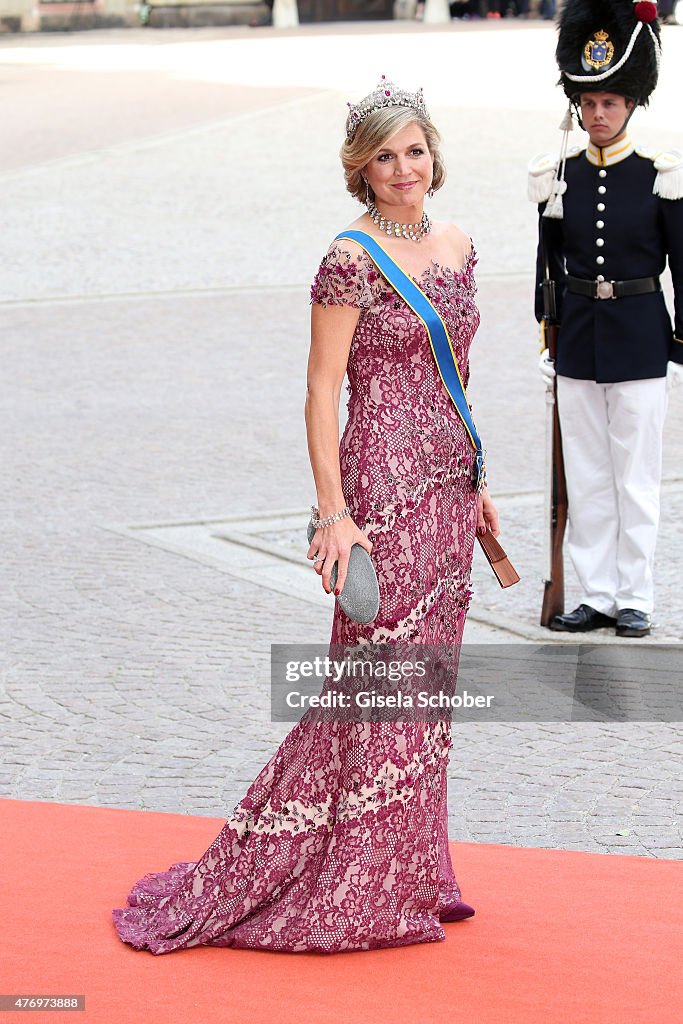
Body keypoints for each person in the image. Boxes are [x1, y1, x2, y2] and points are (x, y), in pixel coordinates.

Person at [111, 77, 498, 955]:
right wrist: (334, 515)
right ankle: (345, 873)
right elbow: (323, 389)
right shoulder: (348, 258)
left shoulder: (461, 244)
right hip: (381, 484)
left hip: (444, 484)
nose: (404, 168)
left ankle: (409, 869)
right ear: (359, 169)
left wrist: (475, 482)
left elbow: (458, 374)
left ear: (433, 150)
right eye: (385, 156)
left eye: (415, 149)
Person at [529, 0, 683, 637]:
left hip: (642, 334)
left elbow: (681, 261)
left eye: (610, 103)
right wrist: (548, 331)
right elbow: (546, 264)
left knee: (635, 475)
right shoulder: (557, 175)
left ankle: (636, 596)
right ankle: (593, 594)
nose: (598, 114)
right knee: (587, 474)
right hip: (581, 339)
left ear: (631, 105)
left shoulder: (659, 175)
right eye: (589, 103)